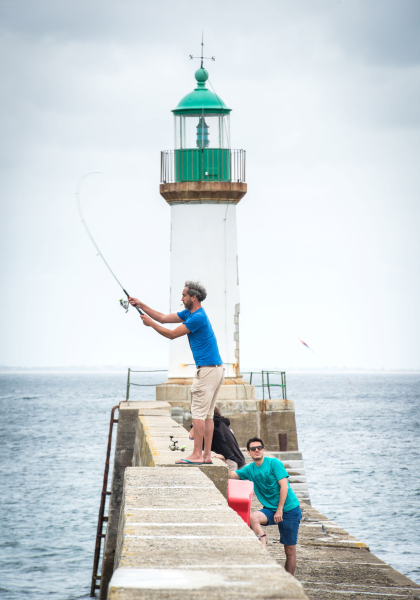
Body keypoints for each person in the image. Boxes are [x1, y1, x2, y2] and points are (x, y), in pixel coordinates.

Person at [128, 281, 224, 466]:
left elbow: (171, 334)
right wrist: (141, 305)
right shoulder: (190, 313)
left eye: (184, 295)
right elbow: (163, 318)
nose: (181, 298)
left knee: (198, 412)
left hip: (207, 370)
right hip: (216, 369)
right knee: (208, 415)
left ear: (193, 297)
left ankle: (197, 455)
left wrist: (150, 325)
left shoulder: (197, 317)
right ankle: (206, 455)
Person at [228, 437, 302, 575]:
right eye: (253, 449)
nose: (257, 450)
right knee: (253, 517)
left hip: (289, 509)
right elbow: (231, 475)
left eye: (259, 448)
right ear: (248, 453)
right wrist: (221, 460)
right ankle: (264, 552)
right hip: (270, 510)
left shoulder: (274, 463)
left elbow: (284, 487)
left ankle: (289, 580)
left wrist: (280, 509)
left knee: (289, 551)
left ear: (264, 449)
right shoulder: (249, 469)